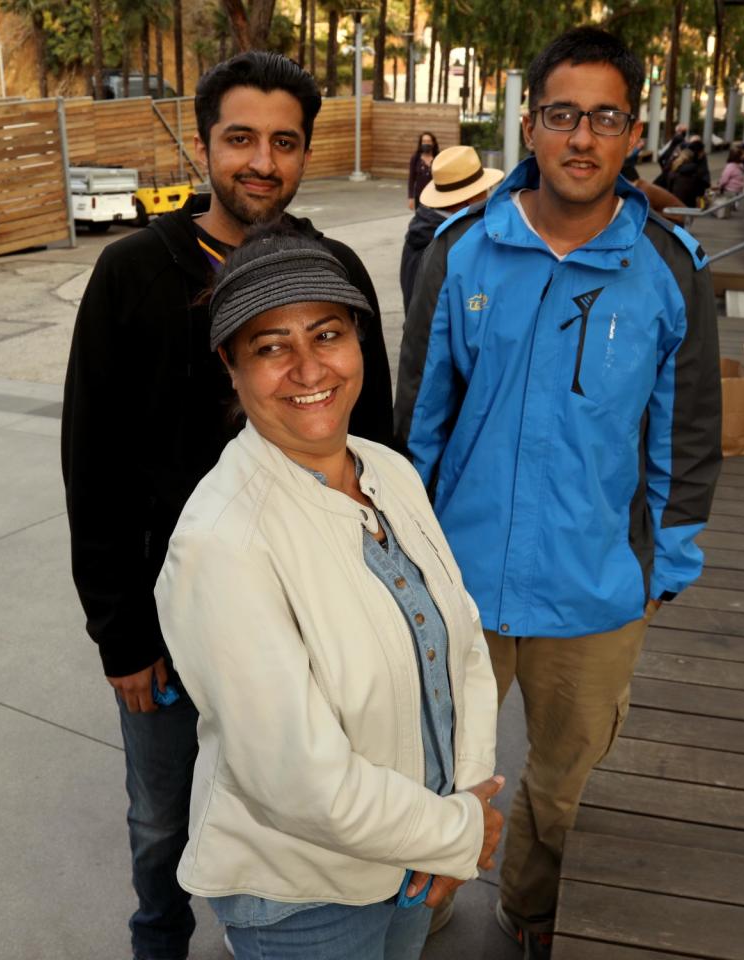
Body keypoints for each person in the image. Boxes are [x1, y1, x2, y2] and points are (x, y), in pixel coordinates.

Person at [394, 26, 721, 958]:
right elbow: (419, 418)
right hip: (458, 578)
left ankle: (531, 910)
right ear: (530, 127)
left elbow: (687, 433)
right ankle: (425, 904)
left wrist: (671, 555)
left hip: (597, 587)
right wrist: (403, 552)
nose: (582, 137)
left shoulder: (668, 268)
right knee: (435, 764)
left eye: (605, 118)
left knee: (561, 775)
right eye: (563, 114)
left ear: (633, 134)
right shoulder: (462, 254)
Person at [61, 52, 393, 960]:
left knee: (303, 802)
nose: (262, 161)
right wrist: (120, 635)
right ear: (204, 143)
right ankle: (160, 937)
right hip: (169, 632)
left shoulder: (336, 268)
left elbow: (381, 449)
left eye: (284, 142)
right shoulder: (133, 272)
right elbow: (91, 470)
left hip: (312, 617)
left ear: (304, 152)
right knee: (161, 816)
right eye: (240, 138)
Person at [153, 224, 503, 960]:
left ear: (358, 343)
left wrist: (458, 810)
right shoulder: (222, 542)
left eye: (327, 334)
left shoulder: (389, 472)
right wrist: (458, 832)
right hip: (303, 895)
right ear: (232, 365)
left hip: (414, 859)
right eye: (271, 346)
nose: (308, 367)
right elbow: (298, 779)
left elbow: (463, 644)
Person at [400, 145, 504, 312]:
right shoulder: (447, 241)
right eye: (484, 189)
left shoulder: (424, 228)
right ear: (470, 199)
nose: (488, 194)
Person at [667, 137, 711, 208]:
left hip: (675, 202)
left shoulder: (674, 170)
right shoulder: (696, 171)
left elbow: (669, 188)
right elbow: (699, 190)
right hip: (689, 204)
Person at [407, 131, 439, 211]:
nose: (426, 144)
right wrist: (411, 197)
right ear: (420, 144)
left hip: (435, 196)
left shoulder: (438, 158)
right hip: (420, 196)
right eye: (424, 141)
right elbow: (411, 179)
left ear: (433, 143)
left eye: (428, 141)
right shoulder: (415, 158)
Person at [712, 145, 744, 218]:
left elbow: (724, 179)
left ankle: (723, 210)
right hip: (739, 188)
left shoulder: (730, 166)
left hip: (730, 189)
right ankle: (734, 205)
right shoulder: (741, 165)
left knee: (719, 196)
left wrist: (719, 185)